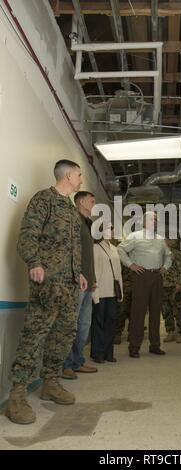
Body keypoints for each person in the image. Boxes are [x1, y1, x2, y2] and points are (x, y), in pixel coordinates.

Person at [6, 160, 87, 425]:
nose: (81, 179)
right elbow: (27, 236)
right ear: (67, 176)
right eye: (79, 175)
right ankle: (17, 395)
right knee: (36, 335)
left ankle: (50, 383)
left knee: (63, 335)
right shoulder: (44, 200)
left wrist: (80, 273)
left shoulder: (71, 210)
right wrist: (35, 263)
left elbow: (70, 249)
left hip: (70, 285)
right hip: (48, 282)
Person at [117, 212, 172, 358]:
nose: (153, 221)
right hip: (141, 276)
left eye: (155, 219)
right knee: (138, 313)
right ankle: (134, 347)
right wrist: (130, 265)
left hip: (157, 276)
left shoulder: (160, 239)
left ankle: (155, 346)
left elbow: (169, 255)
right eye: (150, 218)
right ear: (143, 221)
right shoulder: (134, 236)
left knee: (155, 312)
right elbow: (120, 249)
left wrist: (165, 267)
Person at [62, 191, 98, 379]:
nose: (94, 204)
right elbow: (68, 251)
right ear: (81, 201)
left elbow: (86, 256)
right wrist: (80, 274)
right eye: (92, 201)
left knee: (84, 325)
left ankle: (77, 362)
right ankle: (66, 364)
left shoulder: (87, 223)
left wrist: (92, 278)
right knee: (70, 325)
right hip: (75, 282)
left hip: (87, 283)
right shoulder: (72, 220)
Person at [90, 222, 123, 363]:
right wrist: (95, 295)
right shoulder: (95, 248)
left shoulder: (115, 249)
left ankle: (109, 353)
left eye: (112, 228)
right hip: (100, 292)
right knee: (98, 324)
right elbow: (94, 273)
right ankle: (98, 353)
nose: (112, 230)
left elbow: (119, 273)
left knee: (111, 323)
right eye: (109, 228)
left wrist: (120, 292)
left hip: (113, 292)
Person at [162, 239, 181, 343]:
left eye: (167, 240)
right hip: (163, 286)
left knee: (177, 309)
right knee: (166, 311)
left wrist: (179, 283)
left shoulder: (177, 253)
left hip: (175, 286)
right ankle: (170, 332)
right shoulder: (161, 254)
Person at [114, 264, 132, 344]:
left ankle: (132, 333)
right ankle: (118, 333)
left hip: (137, 286)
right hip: (124, 286)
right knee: (121, 310)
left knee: (134, 311)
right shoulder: (121, 254)